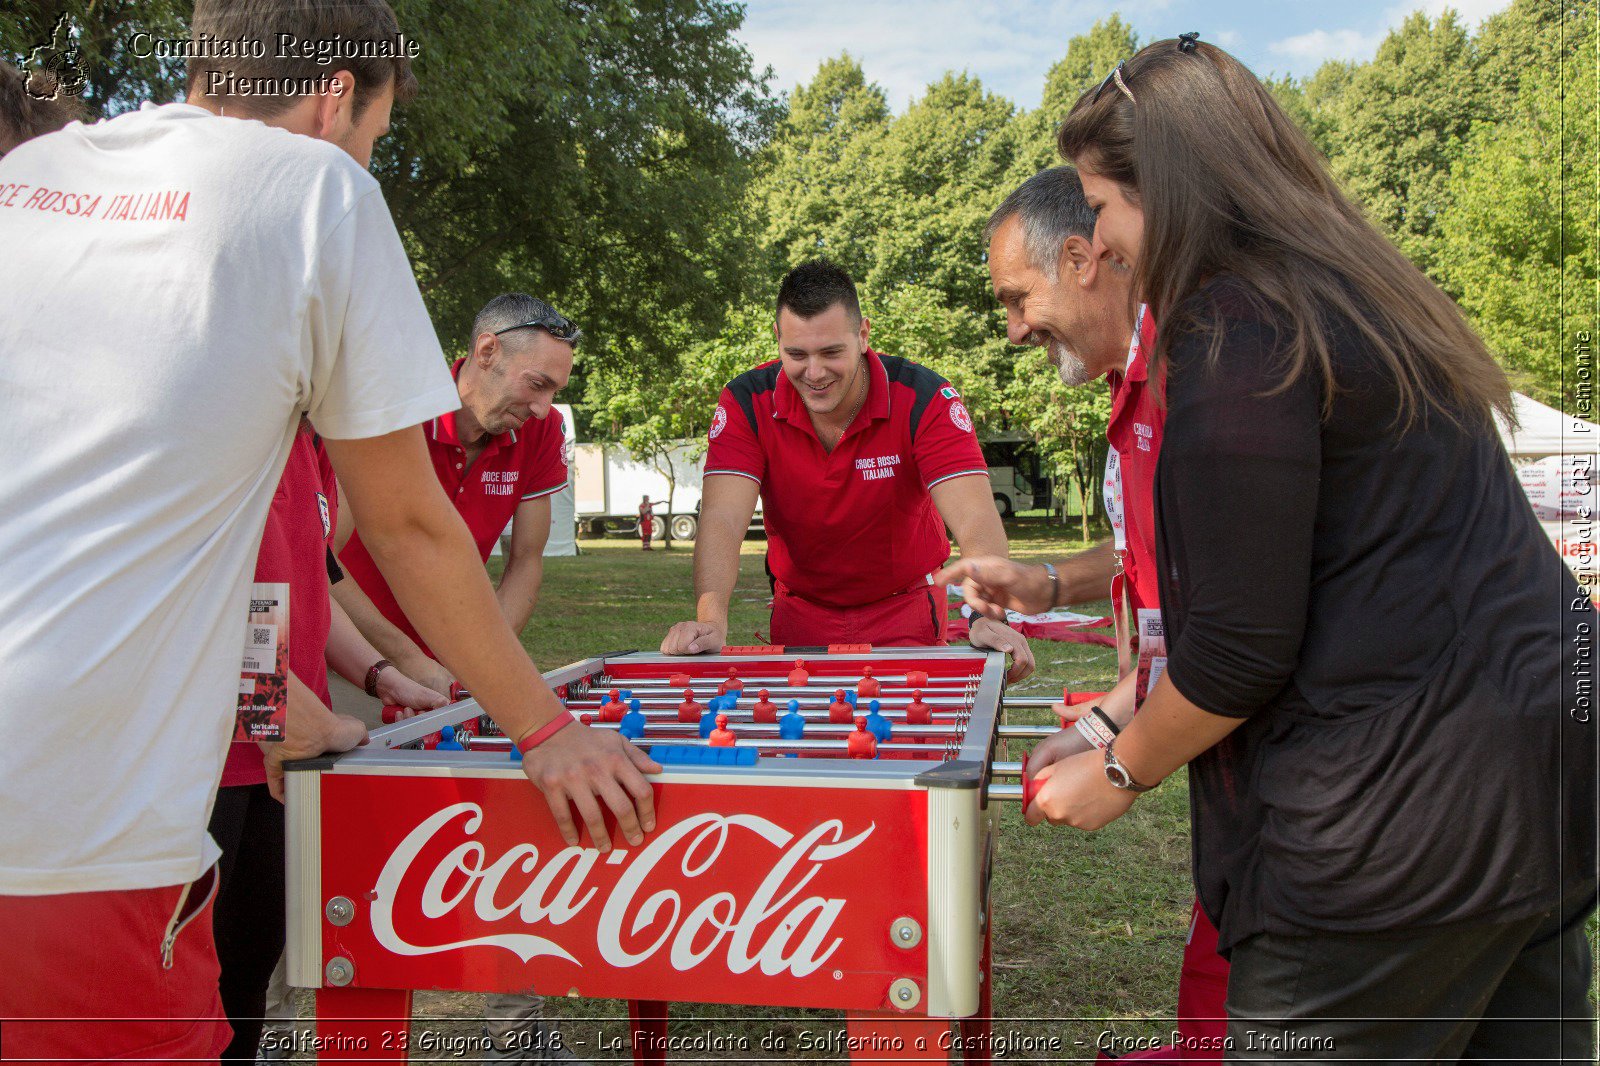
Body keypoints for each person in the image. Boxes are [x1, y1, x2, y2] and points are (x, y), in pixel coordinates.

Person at [0, 4, 656, 1062]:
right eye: (379, 137)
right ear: (336, 97)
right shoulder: (315, 187)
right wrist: (545, 728)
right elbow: (404, 522)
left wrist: (381, 668)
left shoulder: (44, 171)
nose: (370, 161)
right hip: (81, 827)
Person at [948, 35, 1597, 1061]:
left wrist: (1114, 768)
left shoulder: (1235, 329)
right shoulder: (1352, 288)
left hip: (1394, 829)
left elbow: (1242, 648)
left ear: (1169, 188)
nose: (1102, 239)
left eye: (1104, 204)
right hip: (1542, 789)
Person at [981, 165, 1228, 1060]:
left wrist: (1120, 765)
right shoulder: (1138, 385)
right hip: (1279, 791)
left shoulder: (1205, 365)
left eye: (1018, 298)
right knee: (1219, 972)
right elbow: (1180, 599)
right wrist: (1101, 720)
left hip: (1374, 786)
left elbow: (1248, 634)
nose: (1012, 331)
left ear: (1087, 256)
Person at [661, 260, 1034, 680]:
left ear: (862, 335)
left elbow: (974, 517)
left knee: (912, 740)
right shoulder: (747, 401)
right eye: (796, 354)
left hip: (904, 614)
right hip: (799, 613)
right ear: (777, 340)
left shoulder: (925, 396)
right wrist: (711, 621)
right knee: (800, 741)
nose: (814, 373)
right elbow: (723, 520)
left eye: (831, 352)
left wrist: (985, 616)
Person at [212, 420, 446, 1063]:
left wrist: (382, 675)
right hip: (210, 759)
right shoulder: (233, 425)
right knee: (182, 991)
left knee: (245, 982)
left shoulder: (316, 447)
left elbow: (309, 581)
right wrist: (282, 713)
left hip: (283, 759)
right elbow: (194, 590)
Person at [335, 292, 574, 699]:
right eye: (537, 384)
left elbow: (525, 562)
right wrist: (405, 660)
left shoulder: (543, 429)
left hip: (445, 673)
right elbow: (321, 559)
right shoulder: (396, 410)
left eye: (554, 391)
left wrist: (482, 659)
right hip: (347, 658)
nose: (542, 408)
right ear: (487, 351)